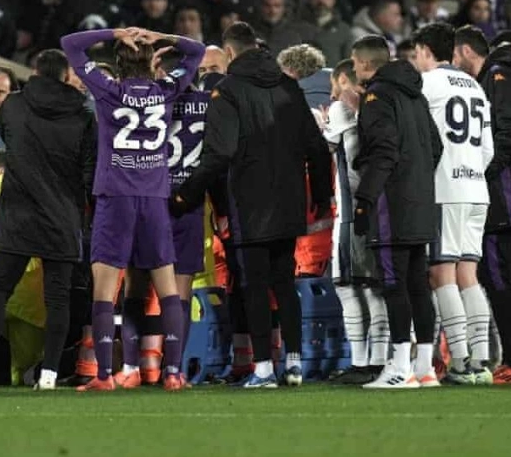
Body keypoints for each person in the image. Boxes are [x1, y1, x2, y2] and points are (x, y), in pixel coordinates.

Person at [172, 22, 333, 388]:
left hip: (250, 201)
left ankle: (262, 368)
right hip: (291, 201)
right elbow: (317, 148)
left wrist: (186, 196)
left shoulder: (227, 92)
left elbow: (218, 154)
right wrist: (322, 197)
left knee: (255, 286)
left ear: (229, 53)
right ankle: (293, 363)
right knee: (284, 281)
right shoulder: (288, 86)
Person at [60, 26, 205, 392]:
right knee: (168, 287)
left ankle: (105, 377)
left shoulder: (108, 90)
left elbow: (70, 45)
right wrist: (159, 35)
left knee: (105, 289)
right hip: (155, 198)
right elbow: (197, 51)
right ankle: (173, 373)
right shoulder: (165, 90)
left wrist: (114, 32)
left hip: (115, 196)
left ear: (119, 67)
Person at [0, 49, 97, 391]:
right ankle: (49, 374)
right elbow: (89, 174)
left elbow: (9, 138)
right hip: (62, 218)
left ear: (35, 72)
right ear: (66, 77)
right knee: (58, 300)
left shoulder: (14, 105)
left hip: (17, 215)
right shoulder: (82, 116)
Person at [351, 35, 442, 389]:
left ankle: (400, 367)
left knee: (394, 283)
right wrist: (417, 179)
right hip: (421, 200)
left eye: (356, 63)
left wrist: (365, 200)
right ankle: (424, 368)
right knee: (418, 283)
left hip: (391, 202)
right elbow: (434, 147)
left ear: (364, 63)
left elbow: (383, 151)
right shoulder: (415, 95)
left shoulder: (377, 96)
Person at [116, 47, 210, 387]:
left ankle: (130, 369)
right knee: (179, 293)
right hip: (189, 205)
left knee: (135, 287)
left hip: (148, 200)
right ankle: (174, 371)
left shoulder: (151, 101)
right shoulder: (208, 104)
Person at [413, 23, 494, 385]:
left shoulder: (427, 84)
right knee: (468, 275)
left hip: (445, 188)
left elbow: (420, 139)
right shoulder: (474, 85)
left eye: (416, 53)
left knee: (441, 273)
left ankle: (460, 361)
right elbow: (488, 149)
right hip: (477, 188)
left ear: (426, 51)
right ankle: (482, 359)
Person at [325, 59, 390, 385]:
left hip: (351, 213)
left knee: (351, 287)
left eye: (334, 84)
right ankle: (375, 360)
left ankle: (363, 362)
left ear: (343, 81)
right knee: (373, 288)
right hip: (378, 207)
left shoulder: (341, 108)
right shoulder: (381, 109)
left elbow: (324, 147)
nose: (332, 92)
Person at [453, 26, 511, 384]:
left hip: (502, 201)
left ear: (464, 51)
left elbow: (504, 132)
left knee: (499, 277)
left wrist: (481, 171)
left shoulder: (496, 74)